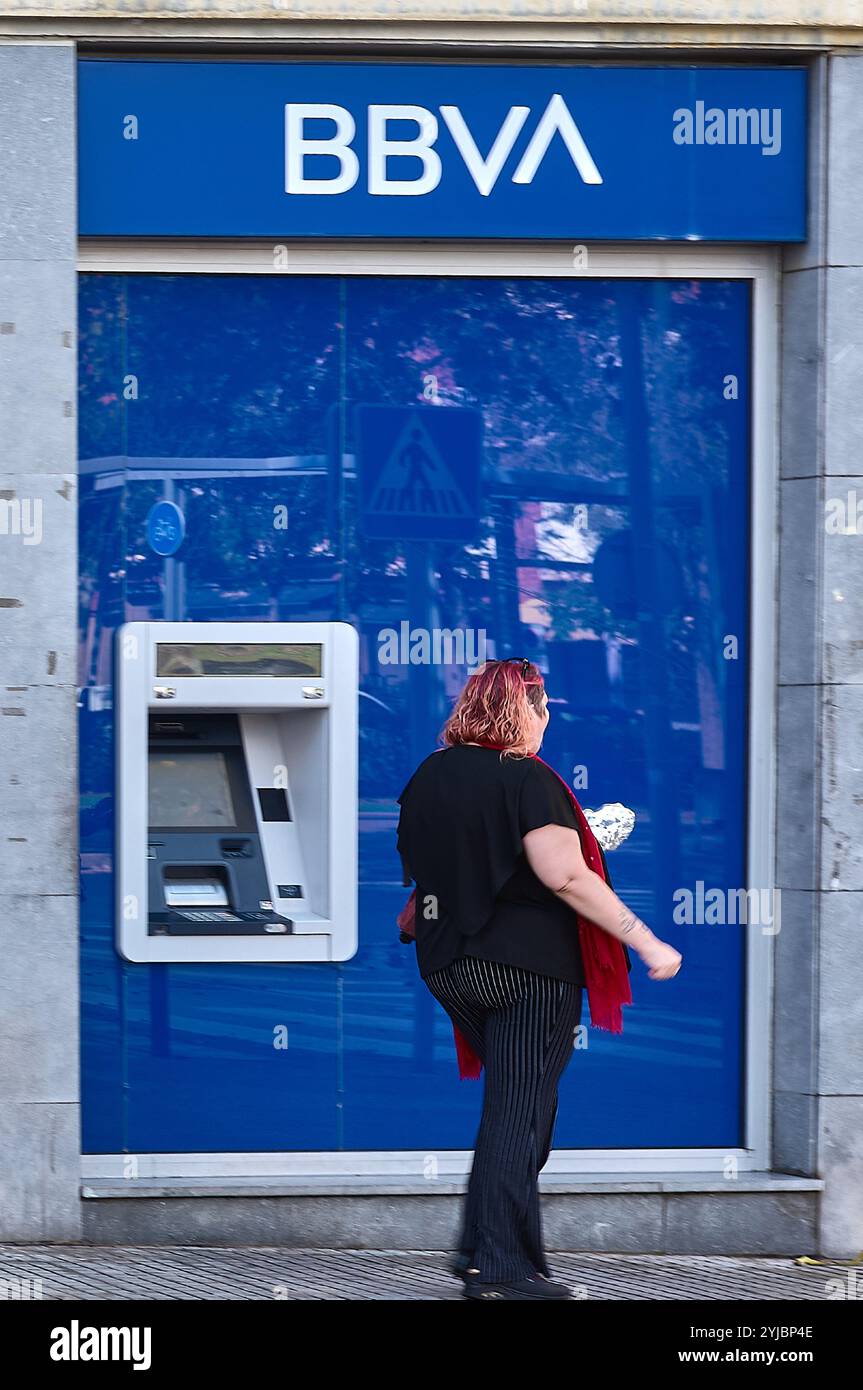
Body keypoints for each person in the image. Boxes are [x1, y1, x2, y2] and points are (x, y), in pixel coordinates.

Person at [396, 657, 682, 1301]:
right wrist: (647, 940)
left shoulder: (428, 777)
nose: (546, 720)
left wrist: (418, 925)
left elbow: (420, 894)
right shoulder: (528, 780)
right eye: (543, 707)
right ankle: (502, 1272)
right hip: (529, 969)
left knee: (516, 1110)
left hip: (449, 965)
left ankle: (480, 1249)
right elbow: (565, 876)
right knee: (521, 1115)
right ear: (525, 710)